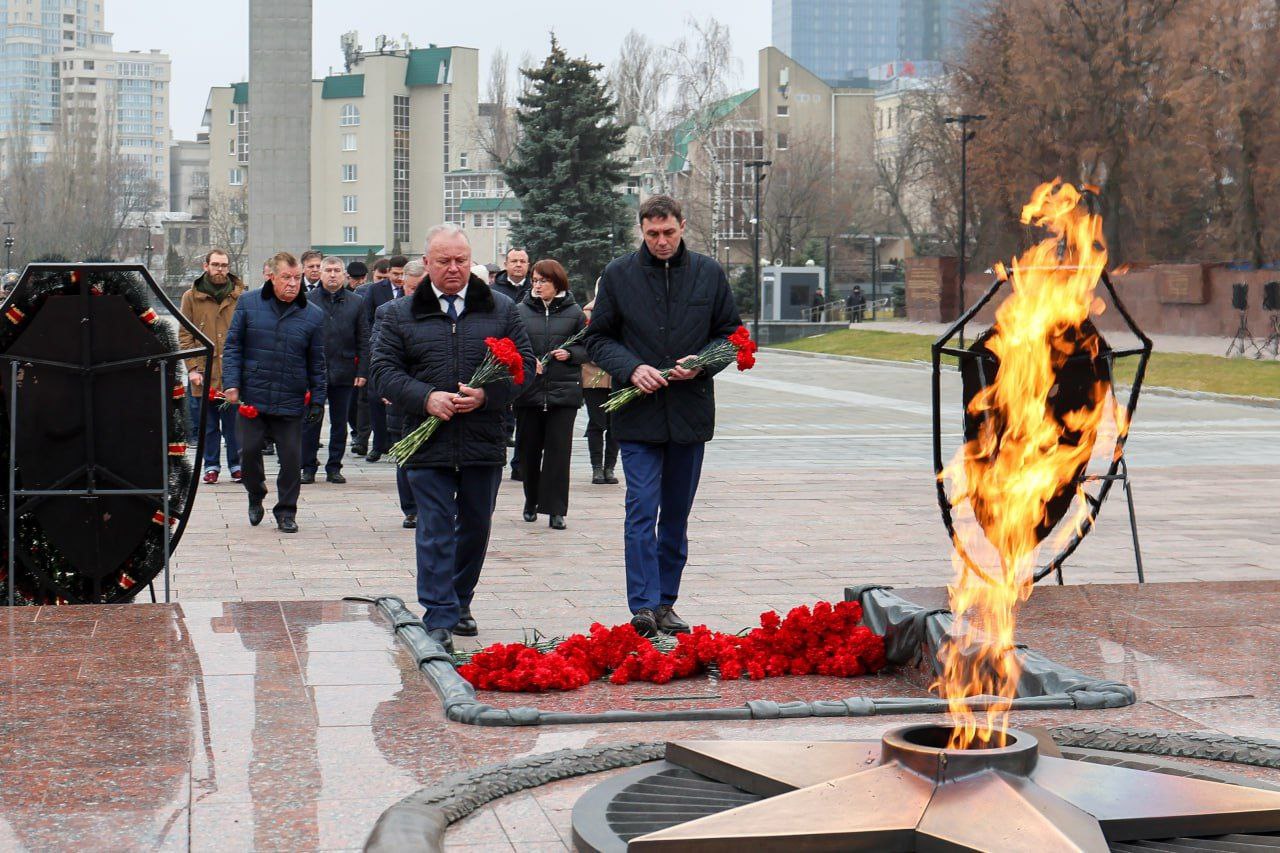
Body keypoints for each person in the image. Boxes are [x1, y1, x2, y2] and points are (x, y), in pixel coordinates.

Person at [369, 224, 533, 651]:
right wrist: (426, 398)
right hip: (427, 441)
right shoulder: (398, 313)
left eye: (461, 260)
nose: (454, 268)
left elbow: (526, 368)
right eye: (444, 261)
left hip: (483, 437)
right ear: (428, 264)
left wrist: (487, 395)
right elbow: (383, 372)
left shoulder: (500, 309)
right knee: (436, 526)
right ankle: (439, 614)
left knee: (476, 526)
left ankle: (461, 601)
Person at [585, 195, 741, 638]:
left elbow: (731, 335)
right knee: (640, 509)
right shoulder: (618, 275)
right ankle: (643, 605)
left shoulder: (708, 273)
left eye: (668, 232)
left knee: (675, 515)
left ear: (682, 226)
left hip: (688, 416)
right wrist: (631, 368)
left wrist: (705, 362)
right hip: (636, 415)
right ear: (642, 231)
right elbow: (597, 340)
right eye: (652, 234)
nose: (661, 241)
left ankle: (666, 602)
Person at [223, 251, 327, 534]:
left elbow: (317, 361)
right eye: (286, 278)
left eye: (297, 278)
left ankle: (286, 512)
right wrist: (231, 383)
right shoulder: (248, 303)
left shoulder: (313, 315)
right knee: (248, 452)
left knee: (292, 459)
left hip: (290, 397)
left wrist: (318, 399)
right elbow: (233, 346)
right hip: (253, 396)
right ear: (271, 277)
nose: (293, 284)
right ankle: (255, 493)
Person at [514, 259, 586, 530]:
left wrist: (571, 354)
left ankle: (556, 509)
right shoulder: (520, 311)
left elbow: (588, 346)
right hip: (529, 392)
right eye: (535, 280)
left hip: (563, 393)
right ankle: (531, 501)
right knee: (529, 451)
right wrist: (527, 360)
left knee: (558, 454)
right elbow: (512, 345)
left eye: (542, 280)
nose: (537, 285)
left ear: (557, 282)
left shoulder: (575, 312)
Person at [178, 249, 245, 484]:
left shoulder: (240, 295)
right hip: (204, 373)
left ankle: (237, 465)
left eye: (224, 265)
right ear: (205, 266)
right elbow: (185, 334)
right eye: (216, 264)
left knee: (234, 425)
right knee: (207, 426)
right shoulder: (191, 296)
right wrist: (192, 368)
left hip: (231, 372)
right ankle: (211, 466)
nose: (220, 269)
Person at [301, 256, 370, 484]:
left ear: (344, 275)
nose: (332, 274)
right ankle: (308, 466)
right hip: (314, 372)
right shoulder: (307, 299)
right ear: (319, 273)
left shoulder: (357, 302)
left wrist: (362, 371)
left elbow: (363, 339)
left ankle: (334, 466)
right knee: (311, 421)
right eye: (328, 270)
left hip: (344, 369)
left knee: (339, 423)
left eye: (337, 270)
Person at [374, 259, 427, 529]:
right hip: (400, 394)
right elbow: (378, 353)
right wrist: (385, 385)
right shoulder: (387, 312)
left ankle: (431, 505)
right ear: (402, 285)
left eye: (421, 289)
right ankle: (411, 509)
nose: (415, 295)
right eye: (411, 289)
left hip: (431, 394)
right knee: (404, 453)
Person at [492, 247, 530, 478]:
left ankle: (520, 464)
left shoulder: (533, 288)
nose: (518, 265)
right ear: (505, 264)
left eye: (523, 261)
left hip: (524, 355)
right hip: (500, 357)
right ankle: (499, 453)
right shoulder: (494, 291)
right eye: (514, 261)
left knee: (524, 414)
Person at [582, 288, 619, 485]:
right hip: (592, 376)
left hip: (618, 375)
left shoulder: (623, 310)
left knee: (615, 424)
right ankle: (597, 466)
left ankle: (609, 467)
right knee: (597, 422)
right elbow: (582, 342)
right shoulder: (587, 314)